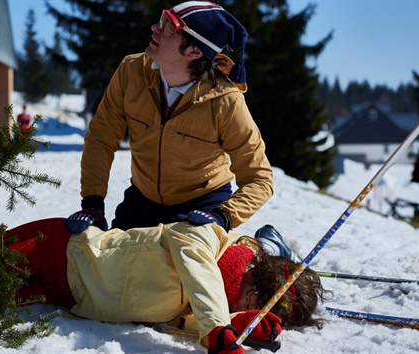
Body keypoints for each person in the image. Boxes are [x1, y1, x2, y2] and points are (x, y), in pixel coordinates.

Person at [66, 2, 273, 235]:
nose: (155, 27)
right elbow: (101, 138)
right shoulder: (130, 71)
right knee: (108, 264)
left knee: (188, 269)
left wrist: (223, 216)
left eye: (168, 26)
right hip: (143, 199)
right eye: (162, 18)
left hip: (203, 205)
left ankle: (267, 243)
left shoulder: (226, 101)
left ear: (194, 51)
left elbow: (259, 178)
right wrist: (92, 203)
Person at [5, 218, 330, 354]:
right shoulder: (208, 238)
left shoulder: (201, 307)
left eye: (257, 309)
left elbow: (180, 321)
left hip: (69, 296)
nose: (249, 306)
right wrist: (218, 325)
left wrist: (234, 324)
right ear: (257, 276)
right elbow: (196, 265)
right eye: (256, 300)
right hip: (62, 250)